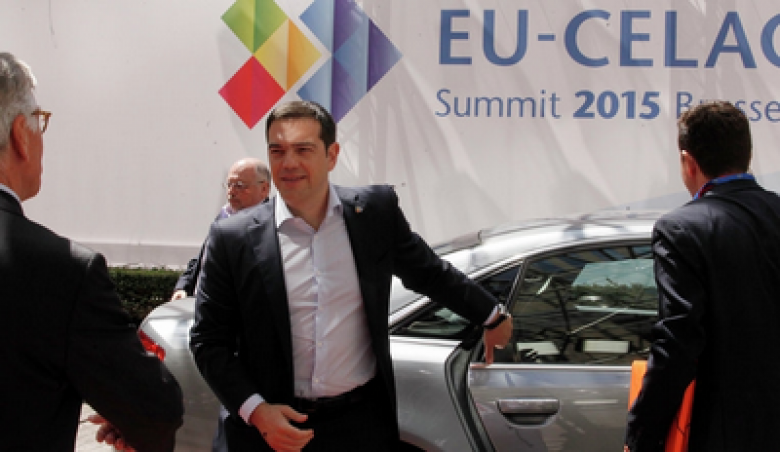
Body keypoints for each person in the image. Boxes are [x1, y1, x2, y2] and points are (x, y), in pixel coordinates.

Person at [189, 100, 513, 451]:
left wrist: (491, 315)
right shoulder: (232, 238)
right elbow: (209, 341)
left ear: (331, 155)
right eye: (277, 151)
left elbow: (428, 273)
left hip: (359, 427)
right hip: (269, 431)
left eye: (303, 150)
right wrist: (257, 412)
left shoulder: (373, 213)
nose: (289, 163)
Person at [0, 53, 184, 451]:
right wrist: (130, 418)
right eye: (39, 121)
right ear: (20, 136)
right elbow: (155, 410)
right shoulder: (61, 271)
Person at [625, 101, 780, 451]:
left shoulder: (682, 229)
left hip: (724, 433)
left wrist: (641, 436)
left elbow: (678, 343)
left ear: (688, 162)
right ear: (747, 154)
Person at [170, 157, 271, 301]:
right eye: (229, 184)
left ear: (264, 189)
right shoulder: (224, 215)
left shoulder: (270, 227)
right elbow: (203, 257)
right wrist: (183, 287)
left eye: (240, 185)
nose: (231, 191)